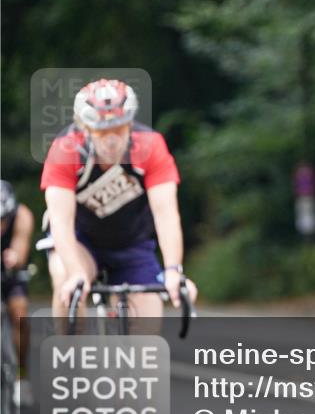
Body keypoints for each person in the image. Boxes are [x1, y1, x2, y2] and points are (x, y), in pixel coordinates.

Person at [40, 79, 198, 321]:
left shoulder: (150, 145)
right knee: (66, 280)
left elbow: (166, 213)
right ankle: (69, 352)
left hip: (132, 242)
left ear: (130, 124)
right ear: (86, 128)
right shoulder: (65, 150)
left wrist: (173, 270)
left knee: (147, 327)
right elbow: (61, 220)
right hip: (81, 240)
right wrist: (75, 272)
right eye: (103, 131)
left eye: (119, 129)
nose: (111, 140)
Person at [1, 179, 34, 407]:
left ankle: (22, 375)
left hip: (12, 273)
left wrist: (14, 257)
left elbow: (20, 251)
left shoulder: (22, 215)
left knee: (20, 314)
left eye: (3, 220)